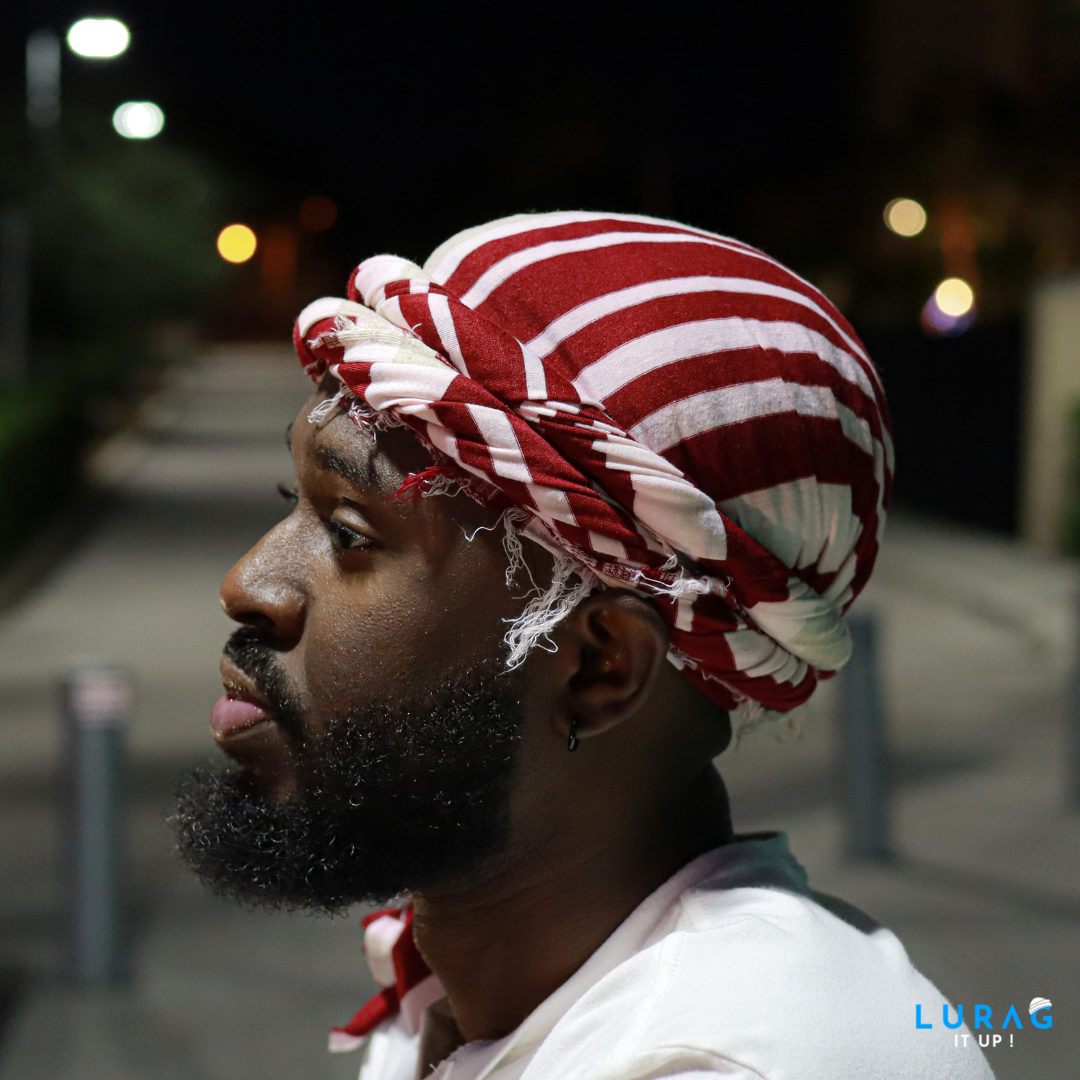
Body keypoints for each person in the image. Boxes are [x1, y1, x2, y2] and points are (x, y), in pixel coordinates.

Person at [174, 212, 993, 1080]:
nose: (247, 583)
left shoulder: (725, 1059)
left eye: (349, 532)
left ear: (601, 667)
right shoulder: (479, 998)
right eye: (287, 497)